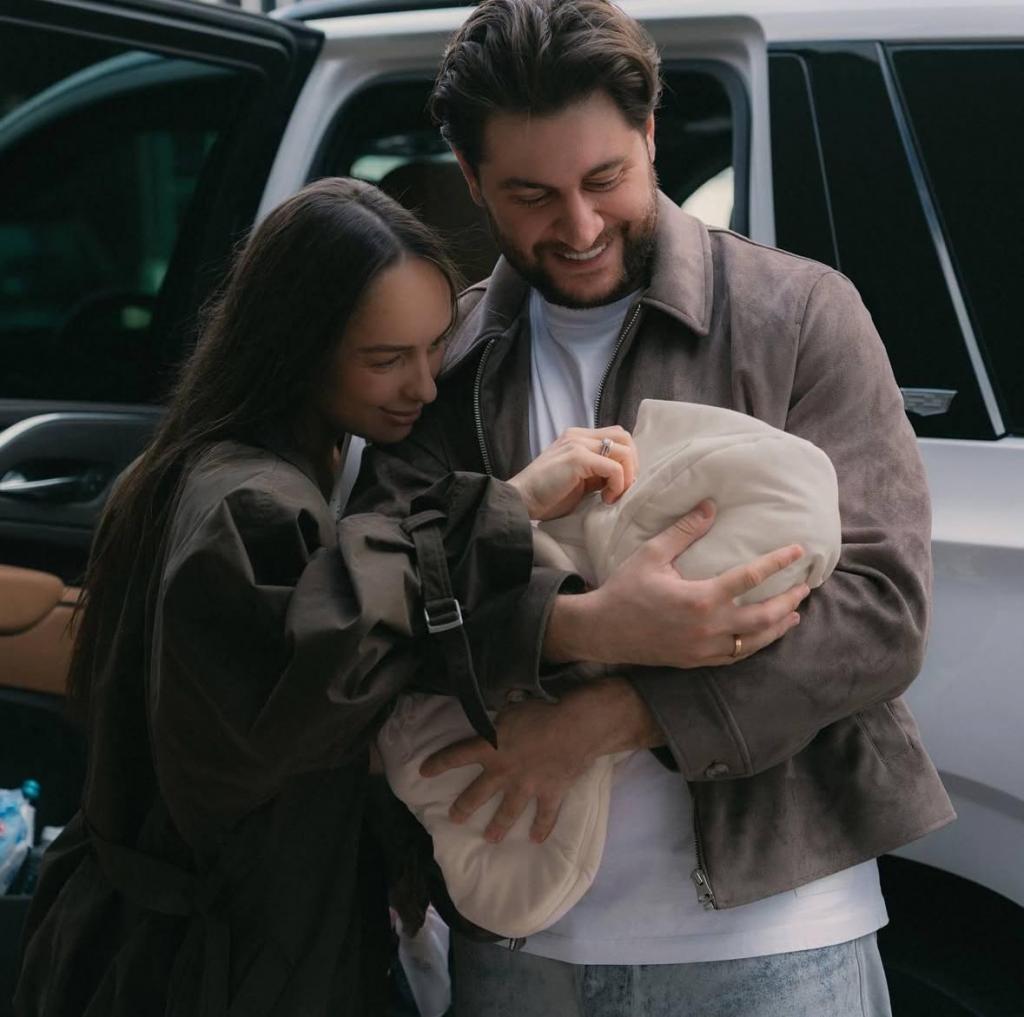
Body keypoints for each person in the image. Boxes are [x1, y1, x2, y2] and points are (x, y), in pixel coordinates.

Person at [346, 2, 956, 1015]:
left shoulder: (798, 315)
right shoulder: (444, 363)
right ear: (471, 180)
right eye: (532, 195)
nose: (579, 227)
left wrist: (605, 717)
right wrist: (579, 625)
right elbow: (382, 607)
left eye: (604, 180)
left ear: (651, 135)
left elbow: (880, 612)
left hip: (773, 940)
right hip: (516, 944)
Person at [11, 176, 699, 1017]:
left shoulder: (250, 465)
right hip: (208, 971)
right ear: (297, 347)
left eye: (434, 347)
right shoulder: (244, 503)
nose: (424, 385)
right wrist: (505, 510)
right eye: (384, 360)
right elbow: (315, 671)